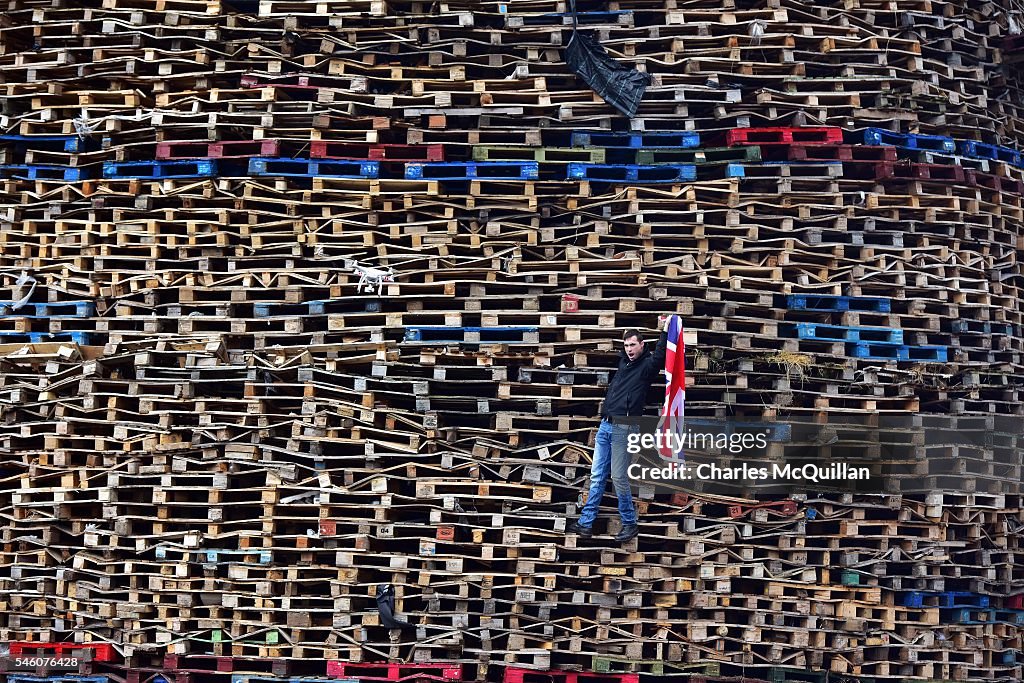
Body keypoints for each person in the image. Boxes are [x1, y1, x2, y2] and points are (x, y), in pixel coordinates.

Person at [568, 317, 668, 543]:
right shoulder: (624, 362)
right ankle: (585, 523)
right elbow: (625, 354)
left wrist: (664, 330)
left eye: (633, 345)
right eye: (626, 345)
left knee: (618, 477)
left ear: (642, 345)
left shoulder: (647, 367)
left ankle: (630, 524)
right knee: (596, 476)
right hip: (605, 425)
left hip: (624, 428)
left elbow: (660, 356)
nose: (629, 349)